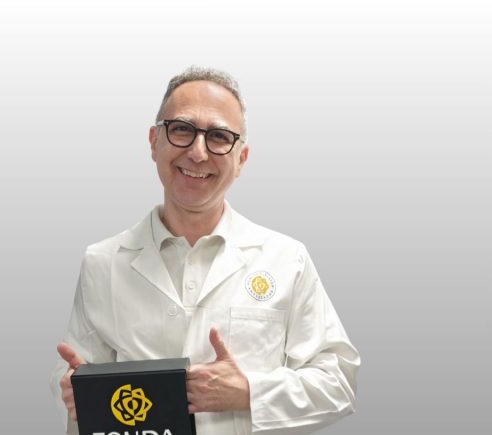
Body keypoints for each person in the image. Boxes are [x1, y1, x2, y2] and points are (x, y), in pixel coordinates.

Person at [50, 66, 359, 435]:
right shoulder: (103, 263)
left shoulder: (286, 259)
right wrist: (75, 392)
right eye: (182, 129)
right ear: (154, 141)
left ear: (241, 159)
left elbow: (338, 382)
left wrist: (249, 392)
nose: (198, 153)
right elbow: (74, 379)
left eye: (219, 137)